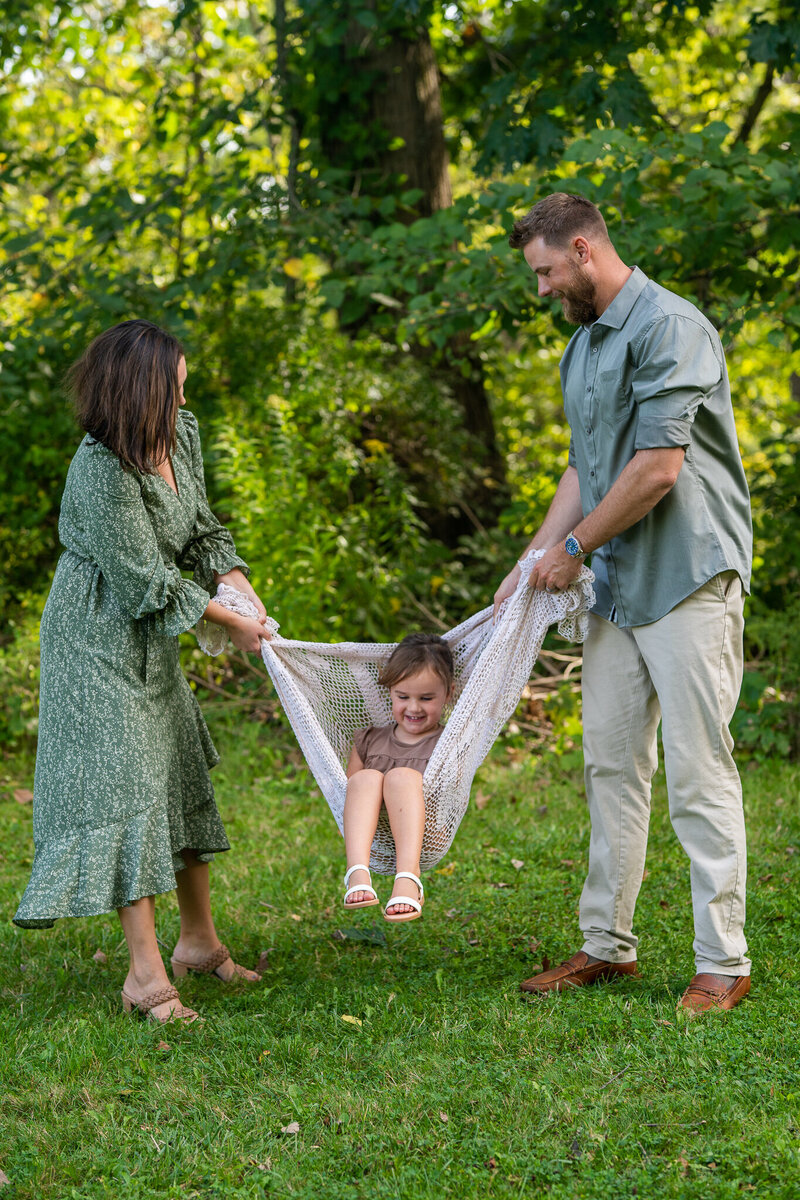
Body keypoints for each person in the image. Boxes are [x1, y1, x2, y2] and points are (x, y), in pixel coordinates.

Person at [495, 193, 753, 1014]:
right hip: (617, 585)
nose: (540, 289)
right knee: (610, 762)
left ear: (581, 250)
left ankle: (724, 961)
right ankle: (608, 945)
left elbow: (656, 469)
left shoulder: (671, 328)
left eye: (543, 272)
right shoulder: (583, 346)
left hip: (686, 578)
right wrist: (537, 555)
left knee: (697, 770)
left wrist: (574, 552)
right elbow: (587, 469)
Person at [14, 319, 273, 1024]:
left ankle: (198, 943)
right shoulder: (99, 468)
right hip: (95, 640)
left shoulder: (178, 436)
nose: (183, 401)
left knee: (175, 772)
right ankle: (144, 977)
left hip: (153, 640)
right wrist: (231, 623)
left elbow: (201, 531)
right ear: (139, 392)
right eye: (174, 389)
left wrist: (239, 585)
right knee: (125, 788)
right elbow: (142, 583)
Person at [342, 634, 454, 922]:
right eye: (403, 697)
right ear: (390, 692)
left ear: (448, 694)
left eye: (426, 698)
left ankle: (408, 876)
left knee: (402, 777)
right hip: (375, 839)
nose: (414, 708)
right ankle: (357, 871)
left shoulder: (449, 743)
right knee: (365, 778)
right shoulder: (368, 739)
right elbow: (348, 792)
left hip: (426, 836)